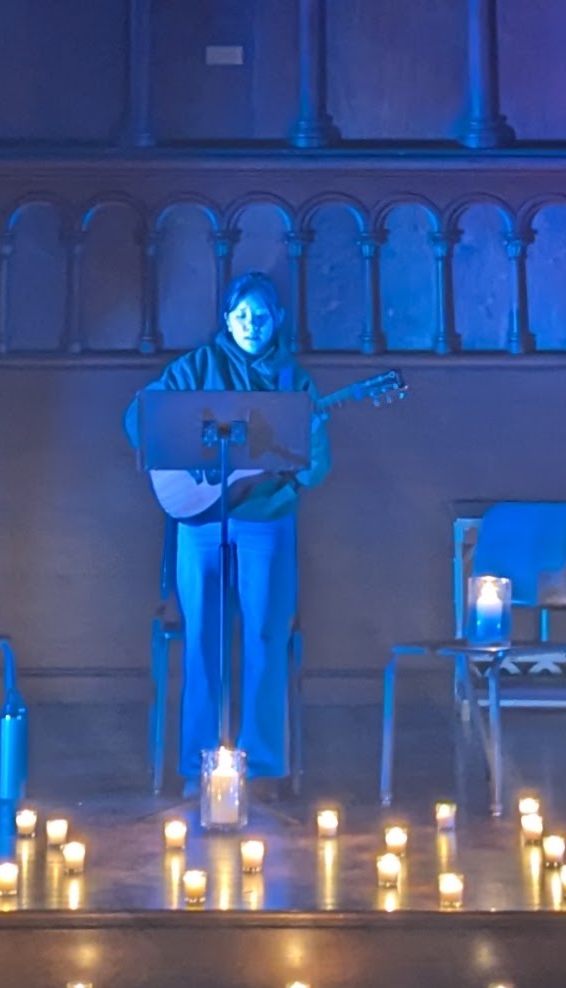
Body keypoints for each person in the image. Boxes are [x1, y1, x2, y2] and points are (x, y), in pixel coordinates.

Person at [127, 277, 398, 780]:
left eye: (263, 316)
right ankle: (198, 767)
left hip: (266, 522)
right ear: (227, 319)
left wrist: (311, 439)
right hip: (199, 521)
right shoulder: (195, 369)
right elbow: (139, 419)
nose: (252, 325)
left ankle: (263, 769)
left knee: (265, 636)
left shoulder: (293, 382)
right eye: (242, 316)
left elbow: (315, 472)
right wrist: (191, 454)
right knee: (202, 637)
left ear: (277, 321)